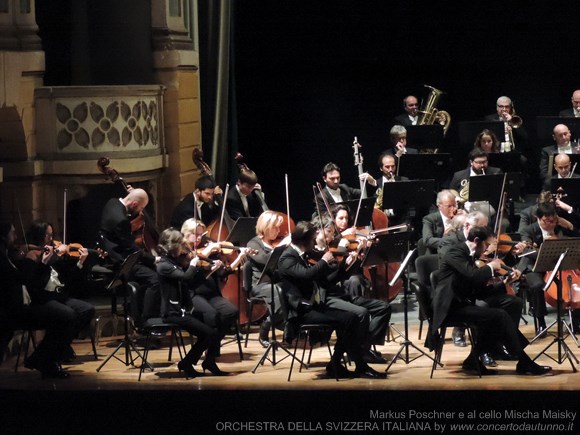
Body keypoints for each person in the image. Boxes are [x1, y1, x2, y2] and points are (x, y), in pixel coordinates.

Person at [430, 225, 551, 376]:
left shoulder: (469, 255)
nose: (488, 249)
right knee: (499, 316)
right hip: (449, 308)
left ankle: (474, 361)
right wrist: (491, 267)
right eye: (486, 245)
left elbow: (479, 290)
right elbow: (474, 277)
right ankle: (523, 361)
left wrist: (504, 283)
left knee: (496, 318)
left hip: (463, 304)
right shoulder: (455, 252)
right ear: (476, 240)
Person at [277, 221, 386, 379]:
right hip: (302, 310)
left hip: (314, 304)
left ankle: (337, 364)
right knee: (351, 318)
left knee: (351, 318)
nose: (315, 242)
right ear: (304, 240)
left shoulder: (303, 255)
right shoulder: (287, 259)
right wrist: (324, 261)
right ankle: (355, 365)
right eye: (313, 239)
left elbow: (325, 281)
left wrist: (345, 266)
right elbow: (308, 275)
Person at [0, 220, 77, 378]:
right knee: (66, 316)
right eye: (12, 233)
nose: (16, 237)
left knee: (69, 314)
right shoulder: (4, 258)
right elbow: (28, 282)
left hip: (24, 306)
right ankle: (44, 360)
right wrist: (41, 263)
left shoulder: (7, 255)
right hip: (15, 311)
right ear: (3, 236)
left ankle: (43, 359)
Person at [313, 214, 391, 363]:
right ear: (318, 231)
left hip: (341, 295)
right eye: (329, 232)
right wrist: (342, 259)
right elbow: (328, 280)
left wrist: (355, 258)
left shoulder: (331, 249)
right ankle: (358, 352)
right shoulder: (315, 253)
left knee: (383, 308)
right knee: (361, 313)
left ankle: (363, 348)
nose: (332, 236)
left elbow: (341, 275)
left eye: (331, 232)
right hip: (327, 299)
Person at [20, 220, 95, 364]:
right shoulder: (31, 257)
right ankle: (47, 357)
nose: (52, 240)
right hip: (41, 300)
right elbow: (34, 285)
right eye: (48, 236)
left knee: (87, 309)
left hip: (57, 296)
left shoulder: (53, 255)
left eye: (51, 235)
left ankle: (60, 347)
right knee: (68, 315)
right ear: (40, 237)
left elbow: (68, 280)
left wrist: (80, 262)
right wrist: (44, 263)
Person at [155, 228, 226, 378]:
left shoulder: (173, 262)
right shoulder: (164, 265)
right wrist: (193, 264)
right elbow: (185, 277)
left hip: (183, 309)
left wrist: (210, 270)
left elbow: (191, 282)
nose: (183, 248)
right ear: (173, 246)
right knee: (208, 333)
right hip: (172, 312)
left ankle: (204, 361)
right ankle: (188, 363)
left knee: (214, 322)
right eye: (181, 244)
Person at [181, 218, 246, 356]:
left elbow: (222, 273)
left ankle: (211, 342)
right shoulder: (182, 252)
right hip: (193, 294)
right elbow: (189, 273)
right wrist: (209, 249)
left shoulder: (208, 250)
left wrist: (239, 257)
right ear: (186, 234)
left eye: (202, 235)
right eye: (195, 234)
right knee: (212, 315)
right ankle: (208, 347)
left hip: (211, 294)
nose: (200, 238)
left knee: (231, 311)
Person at [518, 202, 580, 336]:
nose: (551, 224)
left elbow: (577, 239)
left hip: (559, 265)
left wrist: (570, 226)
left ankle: (575, 322)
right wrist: (544, 252)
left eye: (554, 220)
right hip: (535, 265)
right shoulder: (528, 230)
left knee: (576, 283)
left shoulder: (560, 226)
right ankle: (541, 323)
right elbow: (526, 249)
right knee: (537, 285)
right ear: (538, 218)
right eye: (547, 221)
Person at [99, 188, 160, 322]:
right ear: (134, 204)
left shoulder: (112, 202)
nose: (140, 212)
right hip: (120, 262)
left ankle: (135, 307)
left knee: (148, 276)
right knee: (155, 279)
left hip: (111, 254)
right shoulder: (121, 221)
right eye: (140, 208)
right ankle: (146, 321)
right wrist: (154, 259)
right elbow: (132, 248)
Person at [246, 211, 290, 347]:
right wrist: (282, 247)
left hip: (276, 282)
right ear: (265, 227)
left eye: (278, 227)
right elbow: (265, 260)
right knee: (278, 292)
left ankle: (292, 326)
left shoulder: (274, 243)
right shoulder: (253, 243)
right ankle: (266, 327)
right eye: (275, 227)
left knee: (292, 290)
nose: (278, 231)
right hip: (260, 284)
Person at [373, 152, 410, 227]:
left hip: (401, 221)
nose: (391, 169)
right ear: (381, 168)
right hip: (382, 222)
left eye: (393, 166)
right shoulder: (375, 184)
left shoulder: (404, 181)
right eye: (387, 167)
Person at [422, 190, 463, 255]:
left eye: (454, 205)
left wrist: (464, 219)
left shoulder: (459, 216)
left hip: (457, 254)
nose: (453, 209)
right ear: (439, 206)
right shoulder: (429, 219)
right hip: (437, 255)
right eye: (449, 206)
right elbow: (427, 240)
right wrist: (448, 241)